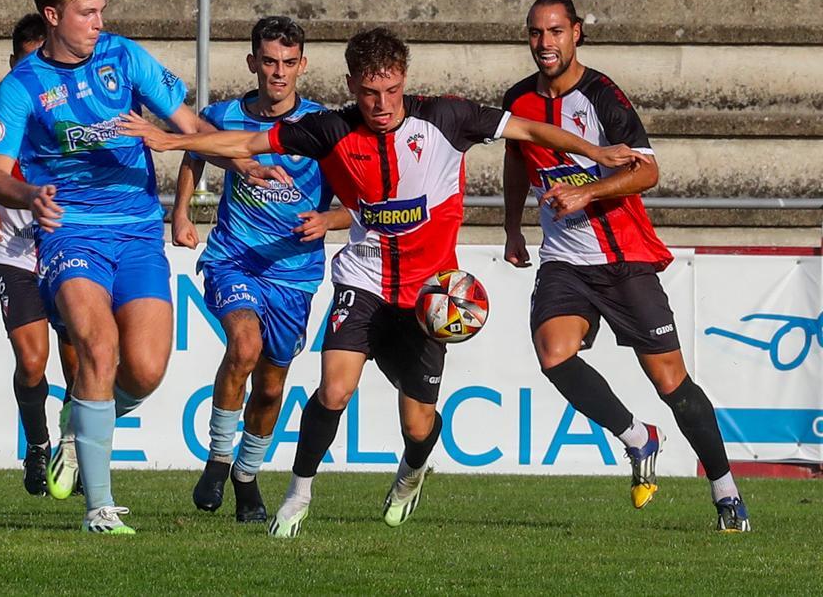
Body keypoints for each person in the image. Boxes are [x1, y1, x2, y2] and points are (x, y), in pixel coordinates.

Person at [120, 27, 647, 538]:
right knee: (334, 388)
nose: (381, 103)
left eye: (391, 90)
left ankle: (412, 471)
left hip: (428, 295)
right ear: (352, 86)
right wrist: (170, 139)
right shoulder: (332, 128)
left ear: (404, 81)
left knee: (418, 426)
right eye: (370, 92)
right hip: (364, 280)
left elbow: (529, 129)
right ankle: (297, 495)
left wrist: (597, 154)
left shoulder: (448, 117)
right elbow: (251, 139)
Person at [0, 0, 276, 535]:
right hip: (71, 233)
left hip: (138, 232)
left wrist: (243, 162)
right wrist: (27, 195)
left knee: (142, 371)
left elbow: (191, 127)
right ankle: (99, 506)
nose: (97, 22)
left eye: (100, 10)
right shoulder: (21, 87)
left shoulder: (124, 57)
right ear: (52, 15)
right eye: (86, 12)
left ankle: (78, 427)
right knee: (97, 347)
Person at [501, 0, 748, 532]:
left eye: (555, 32)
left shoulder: (603, 95)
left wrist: (587, 194)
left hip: (622, 259)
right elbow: (517, 158)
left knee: (672, 383)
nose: (545, 43)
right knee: (553, 354)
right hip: (565, 261)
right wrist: (512, 225)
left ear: (576, 33)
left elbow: (648, 172)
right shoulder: (517, 99)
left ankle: (726, 491)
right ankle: (637, 436)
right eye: (536, 33)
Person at [172, 16, 349, 523]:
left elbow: (357, 196)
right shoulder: (224, 114)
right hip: (235, 257)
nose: (278, 73)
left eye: (288, 64)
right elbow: (195, 150)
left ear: (302, 66)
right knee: (243, 345)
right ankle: (218, 459)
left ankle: (246, 479)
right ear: (253, 63)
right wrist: (181, 211)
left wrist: (329, 219)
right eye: (269, 62)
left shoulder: (324, 124)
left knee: (271, 386)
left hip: (294, 272)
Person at [0, 13, 80, 497]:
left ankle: (74, 451)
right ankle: (37, 445)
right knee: (32, 363)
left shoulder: (75, 103)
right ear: (13, 61)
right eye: (26, 59)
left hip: (70, 247)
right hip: (16, 251)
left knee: (80, 365)